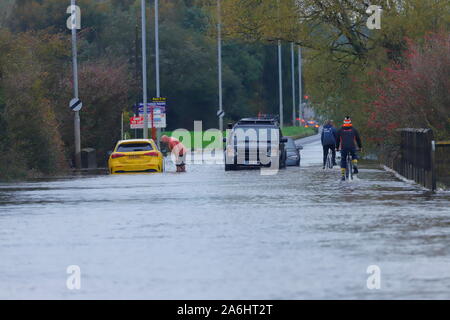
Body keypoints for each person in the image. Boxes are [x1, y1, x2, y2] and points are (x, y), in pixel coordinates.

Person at [336, 116, 362, 180]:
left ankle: (342, 175)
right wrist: (360, 147)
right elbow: (358, 139)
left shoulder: (340, 130)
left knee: (343, 160)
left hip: (344, 147)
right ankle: (355, 165)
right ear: (350, 122)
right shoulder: (354, 129)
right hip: (352, 146)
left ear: (344, 122)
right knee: (354, 155)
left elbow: (337, 140)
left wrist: (336, 148)